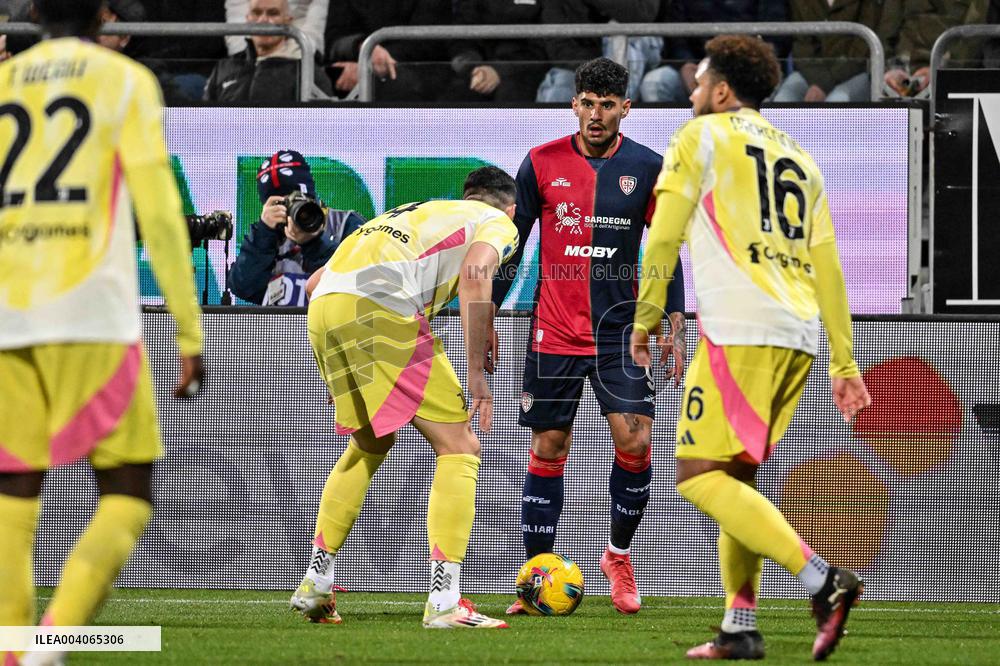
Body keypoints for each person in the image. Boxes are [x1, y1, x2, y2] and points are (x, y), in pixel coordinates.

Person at [630, 35, 871, 660]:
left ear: (721, 90)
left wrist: (646, 316)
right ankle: (740, 625)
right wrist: (843, 362)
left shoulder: (699, 138)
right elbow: (830, 271)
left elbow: (662, 240)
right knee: (736, 478)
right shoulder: (803, 161)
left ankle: (823, 579)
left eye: (699, 78)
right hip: (798, 338)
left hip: (738, 329)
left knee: (695, 475)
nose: (690, 89)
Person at [0, 1, 204, 665]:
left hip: (7, 312)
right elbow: (160, 210)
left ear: (33, 13)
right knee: (125, 495)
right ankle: (51, 644)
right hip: (90, 312)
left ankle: (11, 650)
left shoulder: (4, 81)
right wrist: (188, 330)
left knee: (12, 490)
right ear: (103, 15)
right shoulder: (122, 78)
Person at [494, 57, 686, 616]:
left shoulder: (648, 167)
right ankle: (536, 578)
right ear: (573, 103)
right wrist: (487, 319)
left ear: (625, 108)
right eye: (588, 102)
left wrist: (672, 320)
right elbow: (511, 247)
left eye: (608, 105)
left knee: (636, 442)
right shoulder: (539, 162)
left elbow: (666, 248)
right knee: (549, 447)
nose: (596, 114)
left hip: (620, 338)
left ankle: (617, 556)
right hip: (552, 333)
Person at [289, 167, 520, 629]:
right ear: (511, 209)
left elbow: (314, 284)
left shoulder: (420, 212)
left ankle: (317, 581)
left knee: (370, 443)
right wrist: (477, 376)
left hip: (324, 310)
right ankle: (445, 601)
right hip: (381, 310)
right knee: (461, 447)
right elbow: (477, 278)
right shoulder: (498, 222)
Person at [228, 151, 365, 306]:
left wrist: (313, 243)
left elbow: (361, 279)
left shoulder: (346, 224)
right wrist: (264, 234)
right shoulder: (266, 236)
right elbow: (243, 288)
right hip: (280, 327)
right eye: (283, 202)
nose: (294, 207)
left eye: (298, 198)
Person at [203, 0, 332, 102]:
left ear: (288, 21)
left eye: (272, 13)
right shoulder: (224, 68)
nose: (263, 20)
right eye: (257, 12)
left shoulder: (307, 72)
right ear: (248, 19)